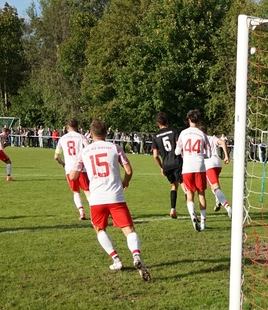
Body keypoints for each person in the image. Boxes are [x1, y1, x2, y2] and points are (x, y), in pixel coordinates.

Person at [82, 119, 150, 280]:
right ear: (107, 133)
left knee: (99, 229)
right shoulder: (115, 147)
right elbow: (129, 170)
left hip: (97, 198)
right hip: (115, 196)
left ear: (91, 134)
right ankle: (136, 256)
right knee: (128, 229)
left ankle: (116, 259)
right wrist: (125, 181)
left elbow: (74, 175)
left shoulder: (84, 151)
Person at [176, 109, 211, 231]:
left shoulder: (183, 133)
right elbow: (209, 153)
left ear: (188, 120)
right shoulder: (202, 134)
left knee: (189, 194)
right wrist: (200, 155)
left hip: (187, 167)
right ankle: (203, 222)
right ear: (198, 120)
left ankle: (192, 216)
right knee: (201, 194)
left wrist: (184, 153)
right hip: (199, 166)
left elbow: (177, 151)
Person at [54, 119, 91, 221]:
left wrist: (63, 163)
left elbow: (56, 156)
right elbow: (89, 148)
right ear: (77, 126)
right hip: (81, 168)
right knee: (87, 191)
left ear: (67, 127)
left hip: (70, 169)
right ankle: (95, 211)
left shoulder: (62, 139)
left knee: (76, 191)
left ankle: (81, 212)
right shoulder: (81, 137)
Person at [151, 112, 183, 219]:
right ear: (167, 121)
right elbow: (179, 146)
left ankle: (172, 209)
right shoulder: (174, 131)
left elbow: (155, 155)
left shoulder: (156, 136)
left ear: (158, 123)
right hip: (177, 162)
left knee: (174, 186)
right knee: (184, 186)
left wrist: (161, 167)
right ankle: (192, 212)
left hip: (166, 165)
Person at [204, 129, 232, 216]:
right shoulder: (212, 138)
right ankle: (217, 201)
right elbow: (223, 142)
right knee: (214, 184)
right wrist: (226, 156)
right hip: (217, 163)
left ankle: (228, 208)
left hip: (208, 165)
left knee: (215, 187)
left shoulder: (199, 139)